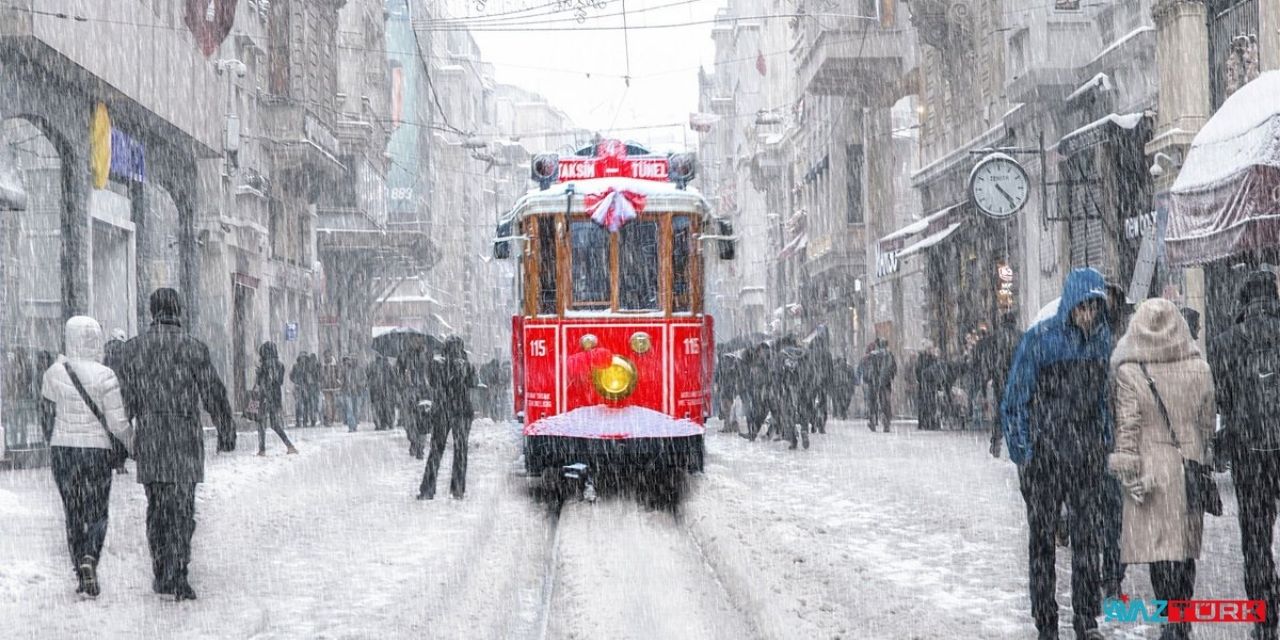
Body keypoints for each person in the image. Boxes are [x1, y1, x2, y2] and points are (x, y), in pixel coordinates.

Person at [1001, 268, 1112, 640]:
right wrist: (1024, 453)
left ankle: (1086, 619)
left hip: (1085, 458)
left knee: (1087, 542)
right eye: (1083, 307)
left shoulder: (1101, 342)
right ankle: (1046, 621)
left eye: (1094, 308)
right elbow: (1015, 400)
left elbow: (1103, 402)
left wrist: (1104, 441)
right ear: (1071, 305)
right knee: (1042, 544)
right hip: (1045, 459)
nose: (1088, 315)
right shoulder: (1040, 340)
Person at [117, 288, 236, 602]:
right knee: (182, 509)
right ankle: (179, 572)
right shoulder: (193, 348)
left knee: (157, 507)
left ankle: (161, 571)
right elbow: (213, 392)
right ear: (178, 311)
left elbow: (125, 400)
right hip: (184, 440)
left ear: (152, 311)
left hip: (152, 439)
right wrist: (226, 429)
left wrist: (119, 443)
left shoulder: (134, 349)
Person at [1109, 298, 1214, 640]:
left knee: (1159, 553)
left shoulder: (1130, 371)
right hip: (1189, 467)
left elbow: (1127, 427)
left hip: (1151, 470)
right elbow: (1207, 423)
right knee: (1185, 550)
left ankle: (1169, 621)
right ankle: (1182, 620)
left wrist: (1126, 469)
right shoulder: (1200, 369)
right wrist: (1201, 452)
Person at [1208, 269, 1280, 640]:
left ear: (1244, 301)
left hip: (1249, 453)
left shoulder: (1225, 343)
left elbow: (1220, 400)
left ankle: (1265, 613)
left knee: (1255, 536)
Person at [39, 316, 133, 598]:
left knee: (73, 512)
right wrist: (133, 445)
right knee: (98, 511)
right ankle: (90, 557)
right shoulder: (106, 375)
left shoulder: (54, 372)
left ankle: (80, 570)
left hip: (64, 451)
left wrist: (54, 441)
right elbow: (117, 423)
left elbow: (46, 416)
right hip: (97, 452)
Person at [419, 337, 476, 500]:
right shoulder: (465, 365)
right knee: (460, 451)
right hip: (461, 411)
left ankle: (427, 490)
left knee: (436, 450)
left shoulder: (438, 364)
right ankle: (457, 489)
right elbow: (473, 383)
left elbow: (432, 382)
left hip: (444, 410)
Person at [254, 342, 297, 456]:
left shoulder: (264, 366)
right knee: (274, 424)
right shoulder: (280, 365)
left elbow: (260, 383)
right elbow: (280, 382)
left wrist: (259, 373)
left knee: (261, 423)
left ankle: (262, 449)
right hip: (276, 396)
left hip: (264, 396)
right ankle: (289, 446)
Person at [988, 313, 1020, 457]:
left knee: (1000, 411)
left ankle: (996, 442)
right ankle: (1017, 440)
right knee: (1017, 409)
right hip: (1016, 378)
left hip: (1000, 378)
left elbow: (991, 359)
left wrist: (992, 375)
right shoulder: (1021, 336)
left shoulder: (996, 337)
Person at [398, 342, 433, 460]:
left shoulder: (427, 358)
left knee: (422, 422)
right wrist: (405, 377)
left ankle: (420, 447)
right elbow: (399, 374)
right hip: (409, 393)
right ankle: (414, 441)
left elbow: (430, 375)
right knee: (409, 423)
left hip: (422, 394)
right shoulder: (404, 357)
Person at [858, 337, 897, 433]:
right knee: (885, 403)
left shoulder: (873, 355)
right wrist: (890, 377)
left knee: (873, 402)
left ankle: (873, 421)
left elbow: (867, 368)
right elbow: (894, 368)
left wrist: (869, 379)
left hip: (874, 382)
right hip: (886, 383)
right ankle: (886, 422)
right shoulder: (889, 355)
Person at [914, 342, 941, 431]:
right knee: (926, 404)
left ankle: (928, 422)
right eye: (929, 348)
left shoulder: (928, 359)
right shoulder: (925, 359)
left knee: (929, 404)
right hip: (926, 385)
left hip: (928, 384)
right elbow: (918, 370)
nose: (930, 350)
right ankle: (925, 422)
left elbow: (918, 370)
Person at [368, 355, 396, 431]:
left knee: (384, 409)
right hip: (380, 392)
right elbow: (370, 378)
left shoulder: (385, 367)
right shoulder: (375, 367)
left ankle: (386, 423)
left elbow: (393, 378)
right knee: (383, 409)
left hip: (384, 392)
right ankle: (385, 423)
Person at [290, 352, 316, 429]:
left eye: (304, 357)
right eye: (302, 357)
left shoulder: (309, 366)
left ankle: (305, 421)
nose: (303, 359)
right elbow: (291, 375)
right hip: (298, 387)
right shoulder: (296, 366)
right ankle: (298, 421)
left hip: (307, 387)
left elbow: (313, 375)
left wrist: (310, 382)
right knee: (298, 405)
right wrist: (296, 382)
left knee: (306, 405)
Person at [340, 355, 367, 432]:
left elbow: (364, 380)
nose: (352, 361)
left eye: (354, 359)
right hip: (348, 392)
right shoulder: (346, 370)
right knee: (349, 410)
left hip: (358, 393)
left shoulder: (361, 369)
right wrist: (342, 384)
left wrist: (359, 384)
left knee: (356, 410)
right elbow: (341, 379)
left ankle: (354, 425)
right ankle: (351, 426)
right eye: (352, 360)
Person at [320, 349, 340, 426]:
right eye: (326, 355)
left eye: (328, 355)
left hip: (335, 387)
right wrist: (322, 383)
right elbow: (320, 376)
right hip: (326, 388)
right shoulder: (322, 365)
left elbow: (339, 374)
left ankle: (332, 418)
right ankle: (329, 419)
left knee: (334, 404)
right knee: (328, 404)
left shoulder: (335, 365)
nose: (327, 357)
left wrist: (338, 381)